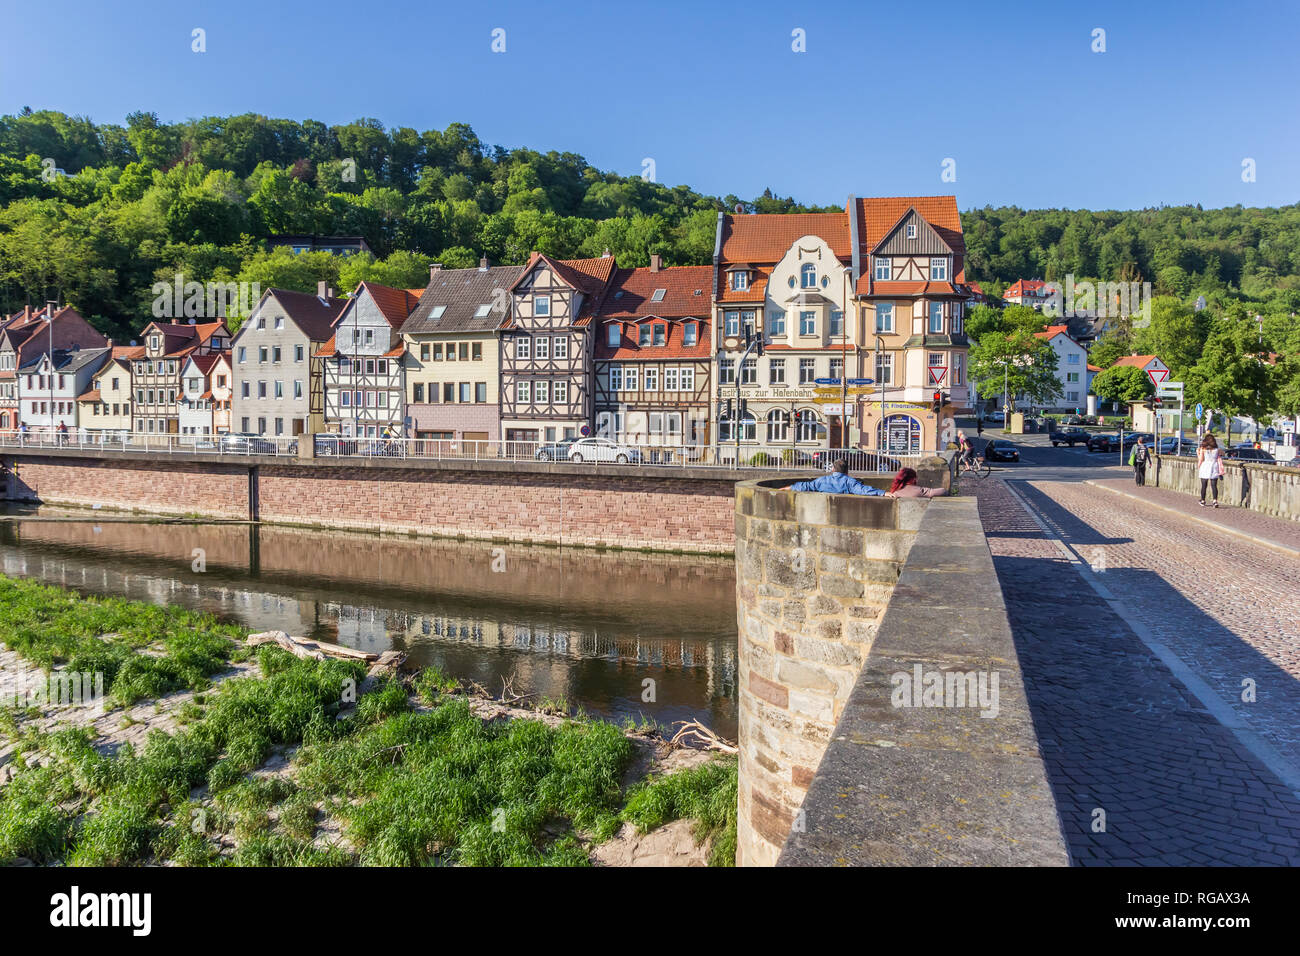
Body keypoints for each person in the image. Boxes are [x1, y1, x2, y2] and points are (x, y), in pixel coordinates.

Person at [789, 459, 884, 496]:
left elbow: (805, 486)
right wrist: (883, 493)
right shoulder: (849, 482)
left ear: (833, 469)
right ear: (847, 471)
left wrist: (787, 488)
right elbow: (863, 490)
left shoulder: (822, 480)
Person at [1197, 434, 1223, 508]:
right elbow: (1222, 454)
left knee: (1204, 485)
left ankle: (1203, 500)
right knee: (1214, 485)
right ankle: (1215, 501)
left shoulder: (1203, 449)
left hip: (1205, 466)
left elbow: (1201, 459)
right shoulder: (1217, 449)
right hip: (1214, 466)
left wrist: (1198, 453)